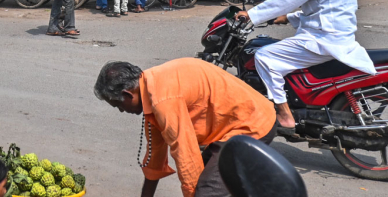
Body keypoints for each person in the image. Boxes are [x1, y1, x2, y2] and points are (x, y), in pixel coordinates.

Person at [236, 0, 375, 130]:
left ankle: (284, 114)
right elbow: (323, 10)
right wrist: (288, 18)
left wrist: (252, 14)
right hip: (333, 35)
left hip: (324, 40)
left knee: (264, 56)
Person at [94, 58, 276, 197]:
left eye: (118, 105)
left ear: (127, 94)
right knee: (207, 182)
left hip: (251, 125)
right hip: (230, 128)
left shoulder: (162, 101)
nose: (121, 111)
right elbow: (155, 155)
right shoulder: (150, 85)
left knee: (206, 191)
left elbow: (185, 154)